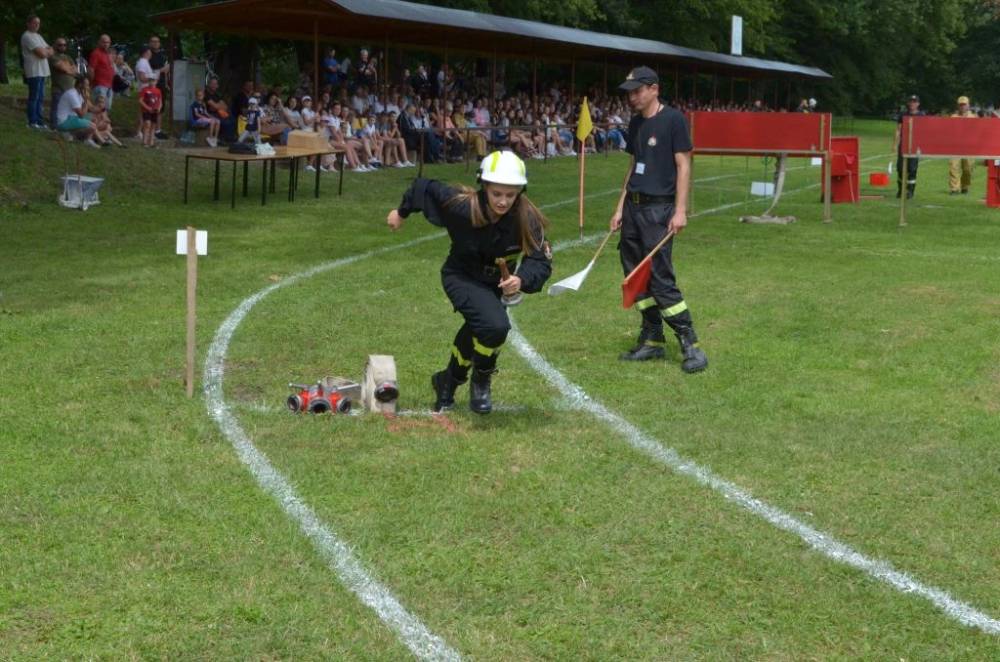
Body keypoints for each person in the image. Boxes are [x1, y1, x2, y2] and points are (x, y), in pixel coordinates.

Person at [386, 151, 552, 413]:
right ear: (483, 185)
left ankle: (447, 382)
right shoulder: (461, 206)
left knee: (479, 328)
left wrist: (521, 279)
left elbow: (540, 261)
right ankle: (481, 381)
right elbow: (423, 187)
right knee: (495, 326)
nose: (503, 201)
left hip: (496, 284)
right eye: (497, 193)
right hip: (460, 276)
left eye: (511, 195)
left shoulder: (527, 218)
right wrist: (401, 212)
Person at [611, 66, 707, 373]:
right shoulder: (636, 122)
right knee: (635, 276)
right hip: (633, 208)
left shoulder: (674, 120)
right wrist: (619, 207)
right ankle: (652, 338)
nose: (632, 98)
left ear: (654, 89)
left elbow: (684, 165)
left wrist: (680, 210)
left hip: (658, 211)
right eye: (629, 93)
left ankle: (690, 344)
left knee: (660, 277)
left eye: (638, 91)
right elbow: (633, 165)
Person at [21, 14, 53, 129]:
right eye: (34, 23)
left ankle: (39, 121)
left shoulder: (38, 36)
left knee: (40, 97)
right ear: (28, 23)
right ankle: (32, 121)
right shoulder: (27, 36)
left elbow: (51, 50)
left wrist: (45, 51)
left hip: (42, 71)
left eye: (38, 23)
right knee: (34, 97)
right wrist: (45, 51)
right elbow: (42, 53)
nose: (37, 25)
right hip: (34, 71)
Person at [893, 94, 925, 199]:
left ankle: (910, 191)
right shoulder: (903, 115)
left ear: (918, 104)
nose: (912, 103)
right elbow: (898, 129)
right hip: (904, 144)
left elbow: (925, 132)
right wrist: (895, 144)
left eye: (914, 102)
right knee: (900, 168)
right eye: (910, 101)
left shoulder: (921, 116)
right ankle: (901, 190)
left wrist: (922, 146)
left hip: (915, 145)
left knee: (912, 168)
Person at [56, 75, 101, 147]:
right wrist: (86, 100)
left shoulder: (80, 94)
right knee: (92, 126)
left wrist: (102, 107)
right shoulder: (72, 94)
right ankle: (83, 139)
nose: (88, 87)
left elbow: (91, 109)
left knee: (93, 119)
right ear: (80, 85)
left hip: (72, 118)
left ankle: (73, 135)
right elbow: (81, 115)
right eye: (86, 85)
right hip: (64, 121)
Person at [48, 37, 77, 129]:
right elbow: (62, 68)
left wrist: (67, 69)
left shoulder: (68, 57)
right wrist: (67, 68)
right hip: (58, 88)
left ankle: (64, 127)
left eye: (64, 45)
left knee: (68, 110)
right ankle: (54, 127)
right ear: (55, 45)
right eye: (60, 45)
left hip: (69, 89)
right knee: (56, 109)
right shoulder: (53, 57)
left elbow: (75, 70)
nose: (62, 47)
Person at [949, 95, 975, 195]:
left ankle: (965, 186)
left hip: (969, 147)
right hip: (955, 146)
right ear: (958, 106)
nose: (962, 106)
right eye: (961, 105)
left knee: (968, 169)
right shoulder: (953, 117)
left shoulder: (974, 118)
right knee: (953, 167)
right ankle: (954, 189)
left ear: (968, 105)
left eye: (964, 104)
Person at [88, 34, 115, 111]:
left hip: (109, 86)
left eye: (108, 42)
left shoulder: (107, 54)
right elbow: (91, 69)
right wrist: (91, 83)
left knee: (106, 109)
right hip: (100, 85)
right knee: (99, 109)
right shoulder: (96, 53)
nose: (106, 44)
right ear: (99, 42)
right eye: (104, 42)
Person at [139, 76, 163, 147]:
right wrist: (147, 107)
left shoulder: (158, 90)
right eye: (150, 81)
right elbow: (140, 100)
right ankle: (144, 142)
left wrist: (159, 108)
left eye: (153, 81)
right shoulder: (145, 89)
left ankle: (151, 142)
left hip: (155, 110)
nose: (151, 82)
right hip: (146, 110)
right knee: (147, 124)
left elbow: (160, 101)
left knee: (153, 126)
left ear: (156, 82)